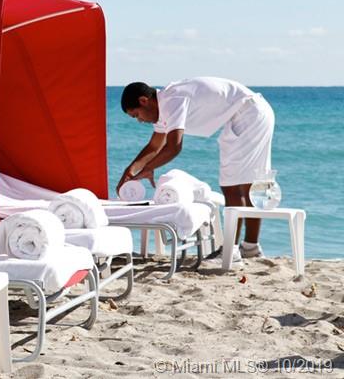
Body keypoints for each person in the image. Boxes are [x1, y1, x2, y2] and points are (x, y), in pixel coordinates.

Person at [117, 77, 275, 259]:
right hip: (253, 113)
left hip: (249, 114)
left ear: (144, 101)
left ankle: (231, 250)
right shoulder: (163, 107)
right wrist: (130, 171)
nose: (140, 121)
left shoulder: (171, 100)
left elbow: (174, 147)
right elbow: (154, 146)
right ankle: (250, 248)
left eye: (136, 115)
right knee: (247, 184)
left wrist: (149, 168)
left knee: (233, 185)